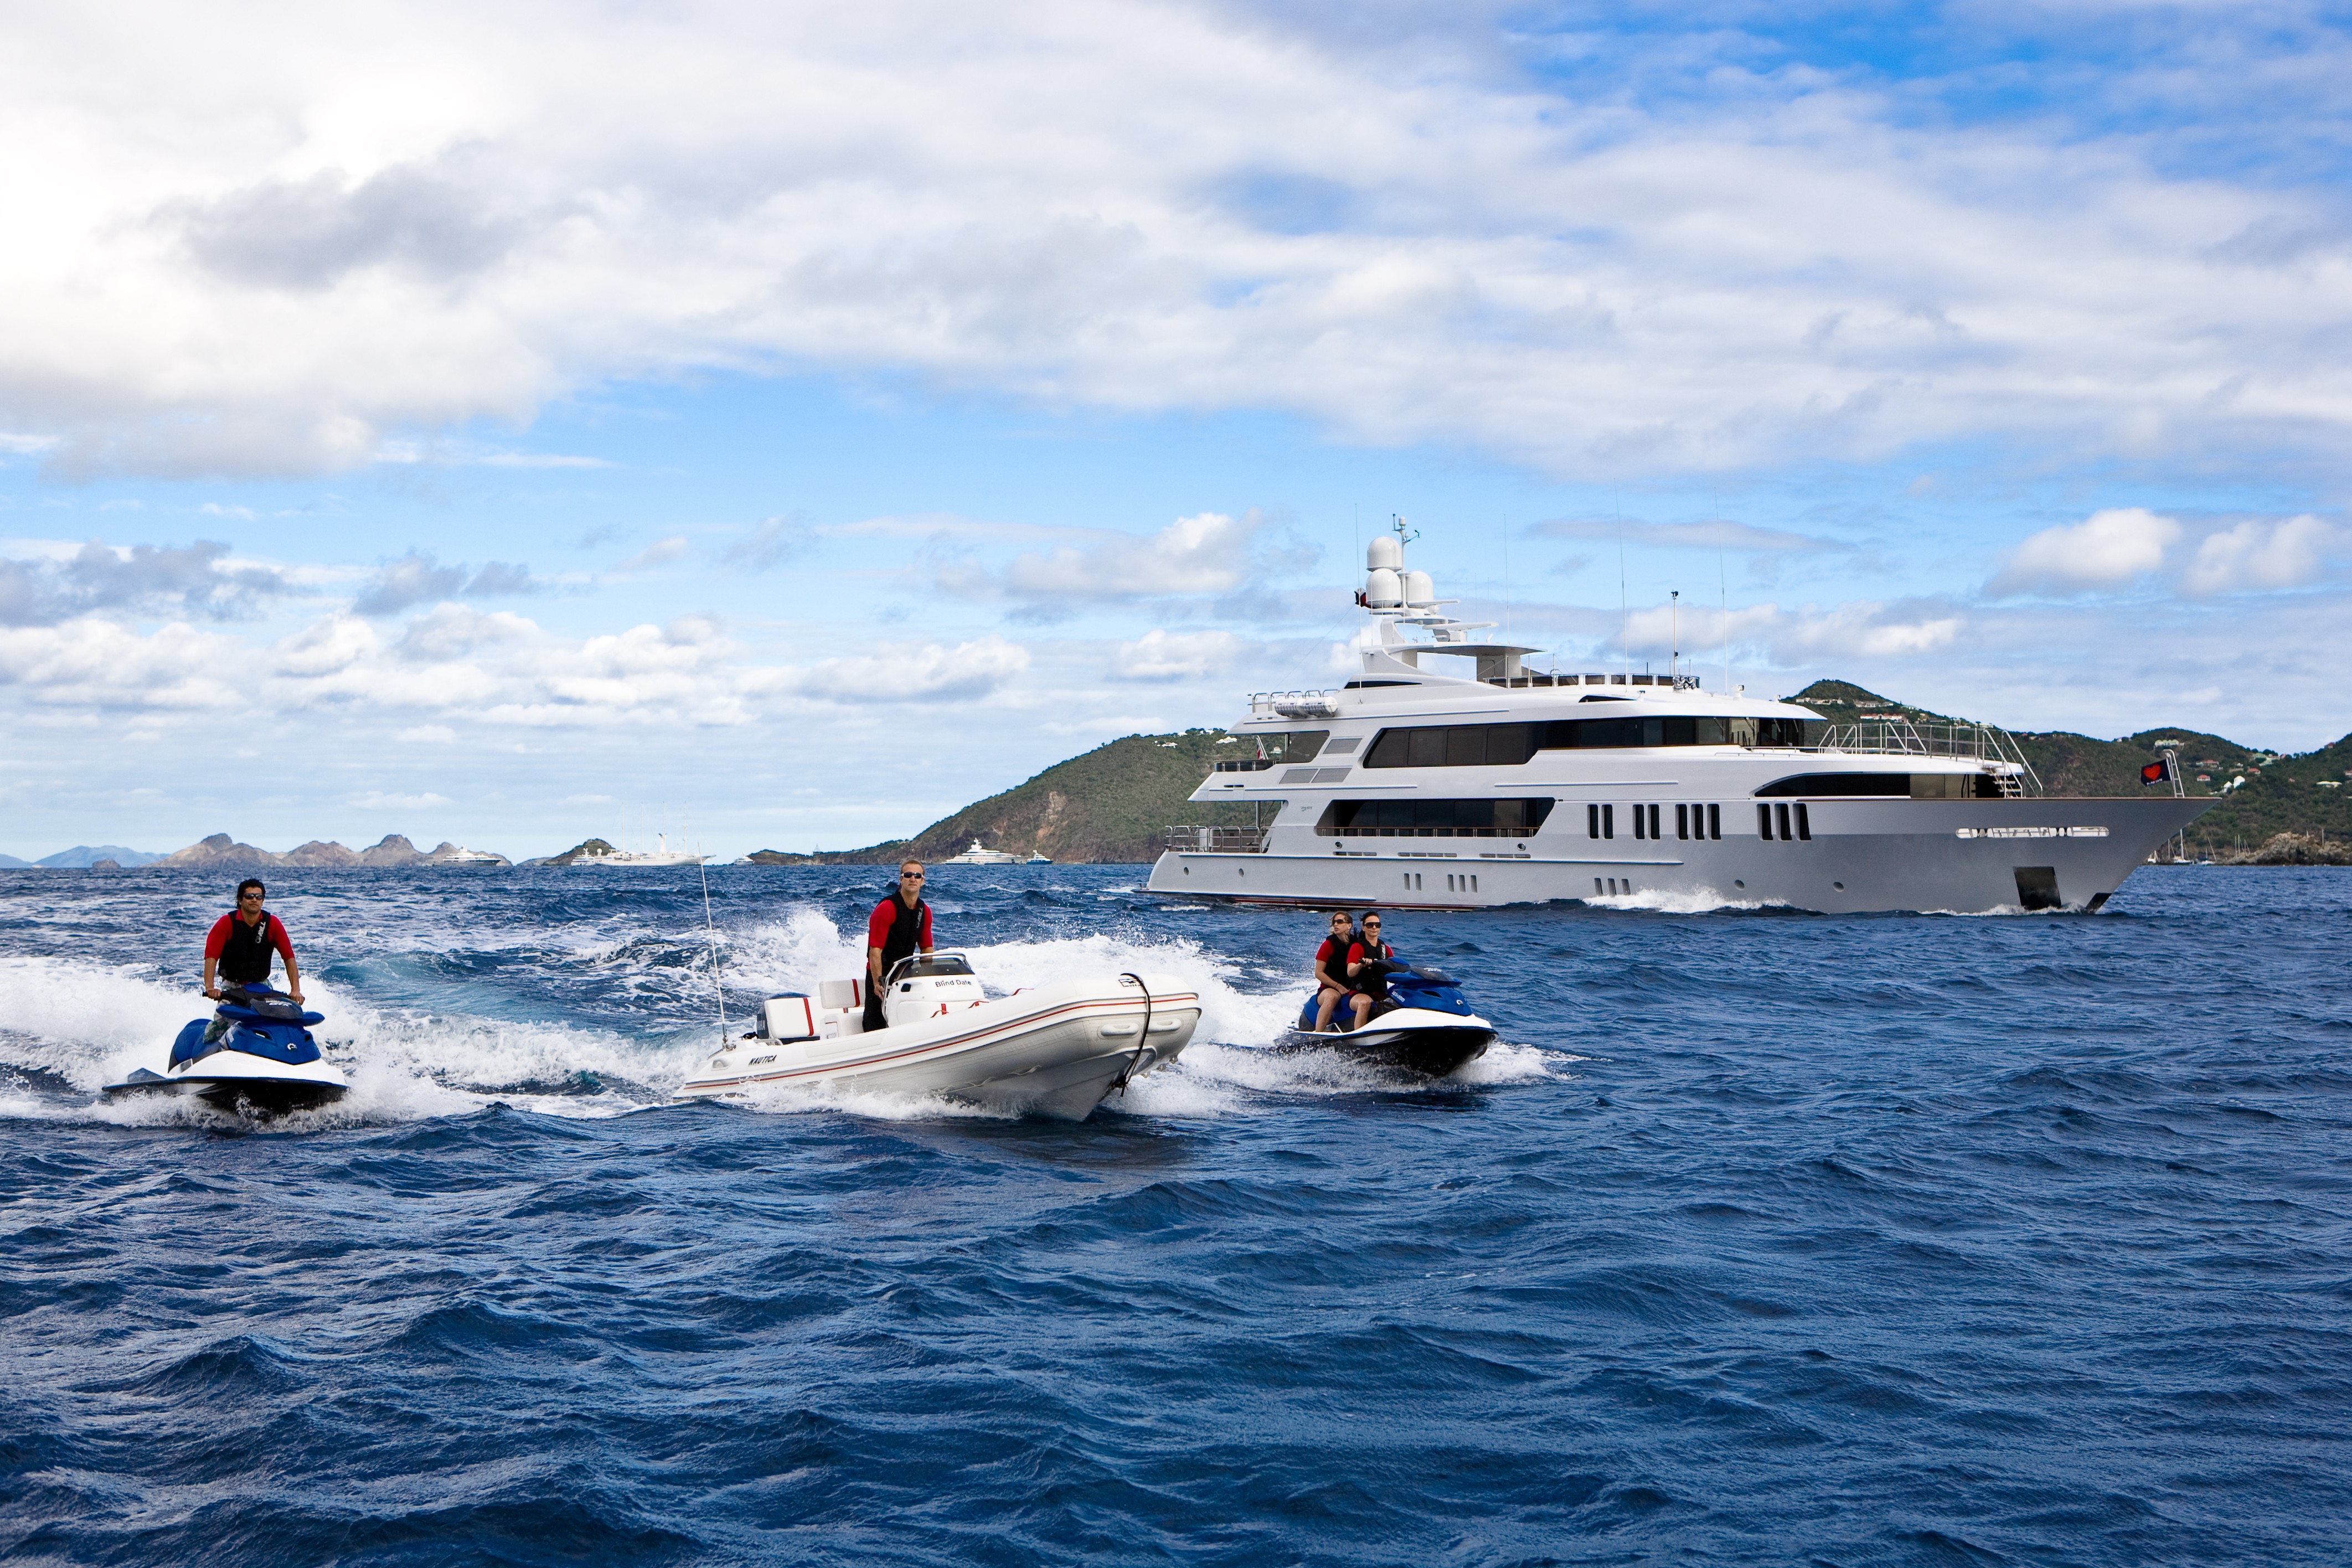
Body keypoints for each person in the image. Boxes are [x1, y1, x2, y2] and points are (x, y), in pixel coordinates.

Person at [202, 878, 303, 1004]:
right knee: (224, 1015)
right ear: (240, 900)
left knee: (274, 1013)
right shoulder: (226, 923)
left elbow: (289, 957)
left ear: (263, 901)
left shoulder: (273, 923)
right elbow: (211, 957)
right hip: (231, 987)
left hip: (261, 985)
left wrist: (296, 990)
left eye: (259, 897)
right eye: (249, 896)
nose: (255, 900)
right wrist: (210, 988)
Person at [864, 861, 933, 1031]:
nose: (913, 879)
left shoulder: (925, 911)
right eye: (908, 875)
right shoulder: (887, 908)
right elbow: (875, 950)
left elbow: (927, 949)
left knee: (906, 1017)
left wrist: (926, 976)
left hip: (905, 973)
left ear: (923, 881)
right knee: (875, 1022)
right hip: (881, 974)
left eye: (917, 876)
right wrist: (877, 982)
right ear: (901, 880)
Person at [1343, 912, 1398, 1029]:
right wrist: (1361, 965)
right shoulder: (1357, 947)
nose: (1374, 927)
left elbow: (1395, 968)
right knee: (1365, 1003)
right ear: (1363, 927)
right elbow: (1350, 972)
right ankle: (1359, 1035)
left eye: (1377, 925)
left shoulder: (1386, 949)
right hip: (1358, 993)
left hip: (1381, 993)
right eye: (1370, 925)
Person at [1309, 911, 1359, 1032]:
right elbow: (1319, 973)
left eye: (1340, 922)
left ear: (1349, 925)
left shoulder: (1357, 944)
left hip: (1351, 988)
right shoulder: (1328, 945)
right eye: (1334, 922)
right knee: (1333, 997)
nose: (1336, 925)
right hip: (1328, 989)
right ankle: (1319, 1034)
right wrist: (1338, 986)